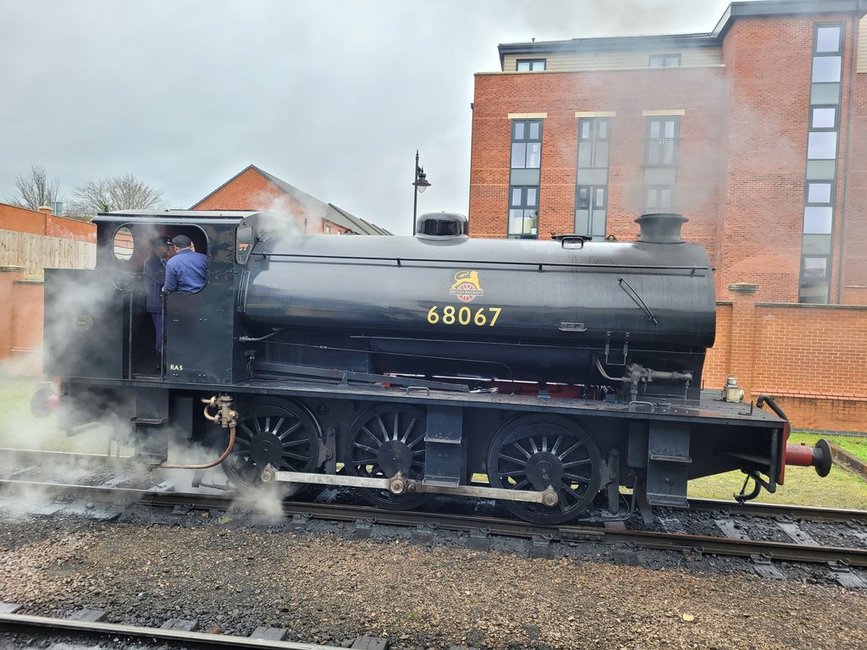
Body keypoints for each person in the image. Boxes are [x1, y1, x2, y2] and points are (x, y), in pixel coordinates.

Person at [143, 235, 173, 352]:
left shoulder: (162, 261)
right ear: (158, 247)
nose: (168, 250)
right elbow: (164, 279)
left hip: (162, 303)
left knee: (165, 333)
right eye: (166, 247)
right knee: (161, 335)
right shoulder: (151, 262)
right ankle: (160, 361)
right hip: (157, 303)